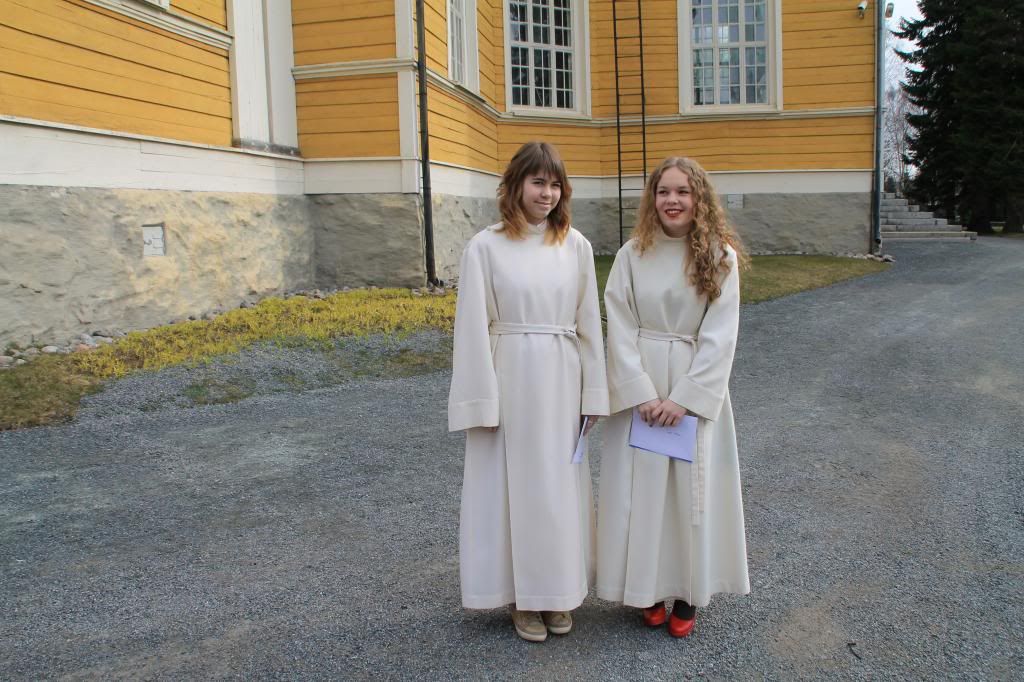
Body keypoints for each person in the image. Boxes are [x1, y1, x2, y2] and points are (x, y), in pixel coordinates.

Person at [448, 141, 609, 643]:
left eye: (555, 184)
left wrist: (593, 395)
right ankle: (520, 596)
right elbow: (471, 328)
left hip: (562, 378)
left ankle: (557, 591)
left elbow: (589, 324)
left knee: (557, 490)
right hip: (510, 376)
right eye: (538, 182)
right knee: (512, 491)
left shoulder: (575, 246)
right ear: (515, 185)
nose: (547, 193)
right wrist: (481, 400)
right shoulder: (485, 247)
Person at [596, 156, 750, 637]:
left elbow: (721, 335)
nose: (672, 200)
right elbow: (619, 322)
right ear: (652, 198)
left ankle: (687, 590)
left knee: (690, 493)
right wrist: (640, 391)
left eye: (683, 191)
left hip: (691, 385)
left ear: (698, 198)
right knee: (641, 492)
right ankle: (645, 587)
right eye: (663, 191)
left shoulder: (719, 257)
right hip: (642, 389)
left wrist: (684, 398)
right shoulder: (632, 254)